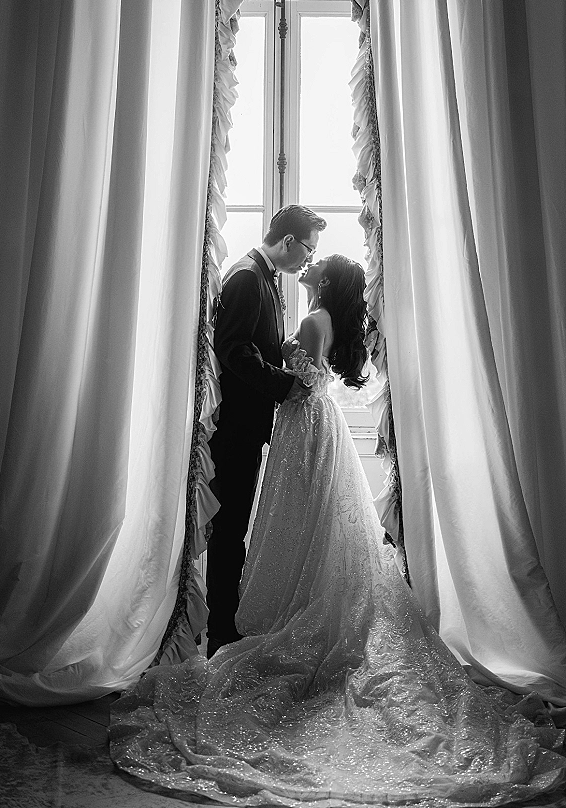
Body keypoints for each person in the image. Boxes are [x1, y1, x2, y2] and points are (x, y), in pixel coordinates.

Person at [110, 255, 566, 806]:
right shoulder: (328, 319)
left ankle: (293, 605)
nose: (306, 271)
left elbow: (301, 380)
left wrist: (275, 368)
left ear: (324, 281)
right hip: (319, 421)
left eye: (314, 267)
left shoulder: (311, 321)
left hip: (304, 422)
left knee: (298, 519)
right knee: (317, 524)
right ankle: (306, 592)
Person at [205, 204, 326, 658]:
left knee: (236, 526)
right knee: (230, 527)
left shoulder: (264, 276)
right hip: (234, 429)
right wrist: (285, 384)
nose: (309, 261)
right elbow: (234, 349)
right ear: (289, 241)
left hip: (249, 425)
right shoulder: (245, 277)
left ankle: (227, 625)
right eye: (308, 250)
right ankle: (220, 633)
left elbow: (259, 344)